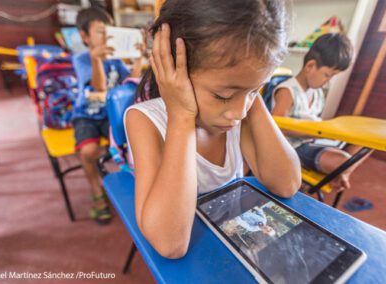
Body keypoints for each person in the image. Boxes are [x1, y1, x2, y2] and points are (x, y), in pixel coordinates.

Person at [124, 0, 301, 258]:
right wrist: (182, 115)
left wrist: (250, 87)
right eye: (223, 95)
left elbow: (287, 184)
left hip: (234, 243)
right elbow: (169, 244)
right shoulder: (144, 120)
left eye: (256, 90)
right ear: (173, 68)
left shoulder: (243, 109)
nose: (239, 113)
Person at [72, 7, 143, 224]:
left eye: (109, 31)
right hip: (87, 115)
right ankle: (97, 194)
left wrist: (138, 58)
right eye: (101, 31)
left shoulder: (114, 60)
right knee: (88, 151)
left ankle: (122, 168)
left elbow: (130, 82)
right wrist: (96, 61)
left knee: (137, 141)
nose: (107, 36)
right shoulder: (82, 59)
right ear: (85, 36)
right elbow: (98, 87)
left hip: (108, 115)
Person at [272, 33, 369, 192]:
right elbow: (278, 126)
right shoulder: (288, 91)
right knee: (345, 161)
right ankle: (341, 173)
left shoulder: (317, 93)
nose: (327, 81)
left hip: (314, 142)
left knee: (364, 145)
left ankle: (340, 172)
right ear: (310, 66)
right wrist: (318, 133)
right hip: (296, 147)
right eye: (327, 75)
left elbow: (315, 120)